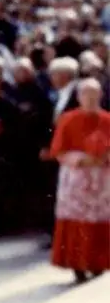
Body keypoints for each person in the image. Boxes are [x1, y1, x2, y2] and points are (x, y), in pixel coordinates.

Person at [49, 77, 109, 282]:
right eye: (86, 94)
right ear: (79, 97)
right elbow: (58, 151)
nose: (90, 98)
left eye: (94, 94)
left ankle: (99, 262)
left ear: (101, 95)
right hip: (76, 179)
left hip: (102, 180)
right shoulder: (68, 119)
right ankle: (77, 266)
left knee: (100, 222)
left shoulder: (108, 119)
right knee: (76, 223)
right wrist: (83, 160)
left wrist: (104, 157)